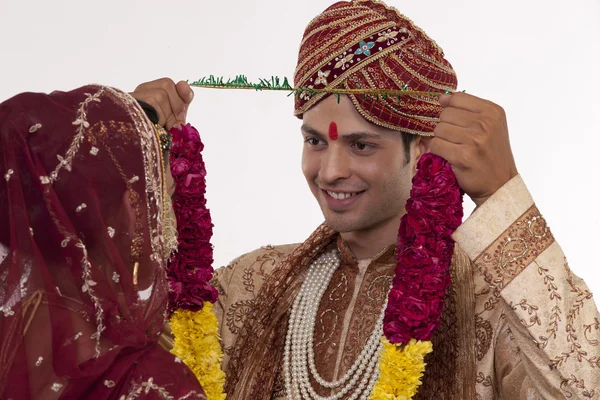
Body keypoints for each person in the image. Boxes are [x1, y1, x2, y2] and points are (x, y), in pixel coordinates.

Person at [134, 0, 600, 398]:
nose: (330, 170)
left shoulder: (490, 300)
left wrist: (502, 195)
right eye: (316, 141)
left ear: (421, 147)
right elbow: (115, 357)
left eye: (361, 145)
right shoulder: (252, 285)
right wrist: (132, 172)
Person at [0, 84, 206, 399]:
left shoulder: (14, 338)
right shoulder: (154, 381)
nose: (171, 224)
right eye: (166, 198)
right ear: (133, 210)